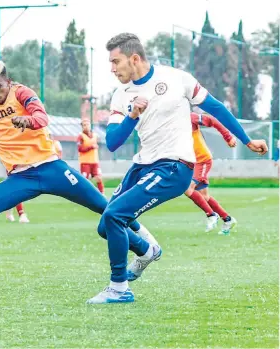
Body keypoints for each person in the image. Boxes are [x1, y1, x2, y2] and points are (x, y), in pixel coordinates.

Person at [0, 59, 156, 285]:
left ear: (8, 81)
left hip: (51, 167)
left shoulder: (22, 93)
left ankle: (145, 246)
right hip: (21, 177)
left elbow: (42, 117)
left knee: (104, 207)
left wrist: (27, 121)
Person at [86, 33, 268, 304]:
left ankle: (119, 288)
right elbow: (112, 142)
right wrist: (133, 115)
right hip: (142, 164)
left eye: (116, 62)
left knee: (114, 216)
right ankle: (148, 251)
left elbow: (216, 108)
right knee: (106, 225)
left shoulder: (177, 79)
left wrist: (246, 140)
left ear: (134, 58)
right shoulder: (120, 95)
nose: (112, 69)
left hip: (175, 166)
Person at [184, 112, 237, 234]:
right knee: (204, 196)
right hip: (192, 161)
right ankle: (228, 219)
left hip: (202, 160)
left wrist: (228, 137)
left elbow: (212, 120)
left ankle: (211, 215)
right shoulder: (170, 122)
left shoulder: (189, 117)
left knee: (187, 188)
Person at [77, 119, 104, 194]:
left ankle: (102, 194)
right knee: (85, 180)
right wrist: (91, 147)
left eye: (87, 124)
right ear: (82, 127)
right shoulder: (80, 136)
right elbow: (80, 149)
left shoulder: (94, 135)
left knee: (99, 178)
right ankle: (83, 195)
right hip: (85, 162)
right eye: (84, 125)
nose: (86, 126)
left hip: (95, 161)